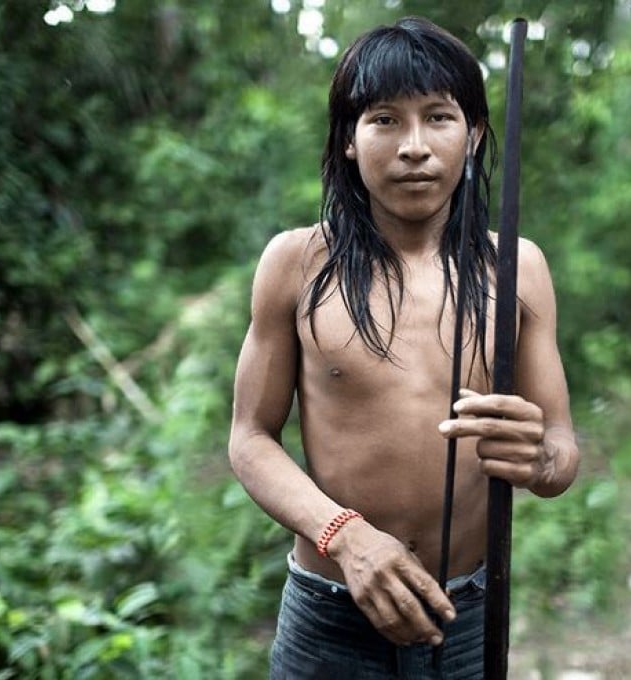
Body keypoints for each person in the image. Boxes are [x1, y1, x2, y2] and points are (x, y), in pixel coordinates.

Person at [228, 16, 579, 679]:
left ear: (472, 133)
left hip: (470, 616)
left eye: (438, 117)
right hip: (330, 617)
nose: (414, 146)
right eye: (385, 120)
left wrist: (538, 458)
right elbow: (249, 437)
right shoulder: (296, 264)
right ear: (351, 141)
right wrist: (346, 537)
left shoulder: (518, 271)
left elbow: (560, 453)